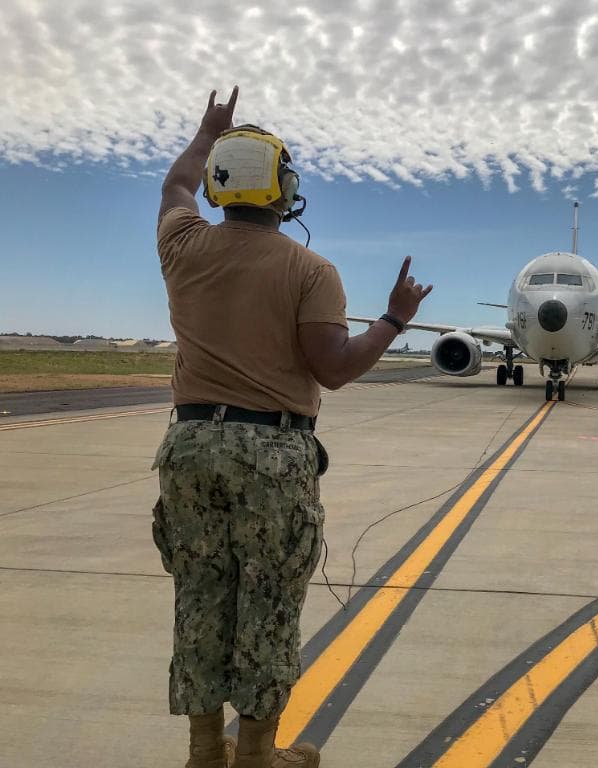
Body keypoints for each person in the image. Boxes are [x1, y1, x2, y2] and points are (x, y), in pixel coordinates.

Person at [153, 86, 432, 768]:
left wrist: (205, 133)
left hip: (189, 445)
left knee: (199, 596)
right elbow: (334, 368)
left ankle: (204, 752)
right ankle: (256, 755)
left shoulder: (182, 244)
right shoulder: (311, 270)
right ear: (286, 190)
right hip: (272, 453)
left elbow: (174, 186)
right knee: (269, 604)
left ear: (219, 187)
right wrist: (394, 320)